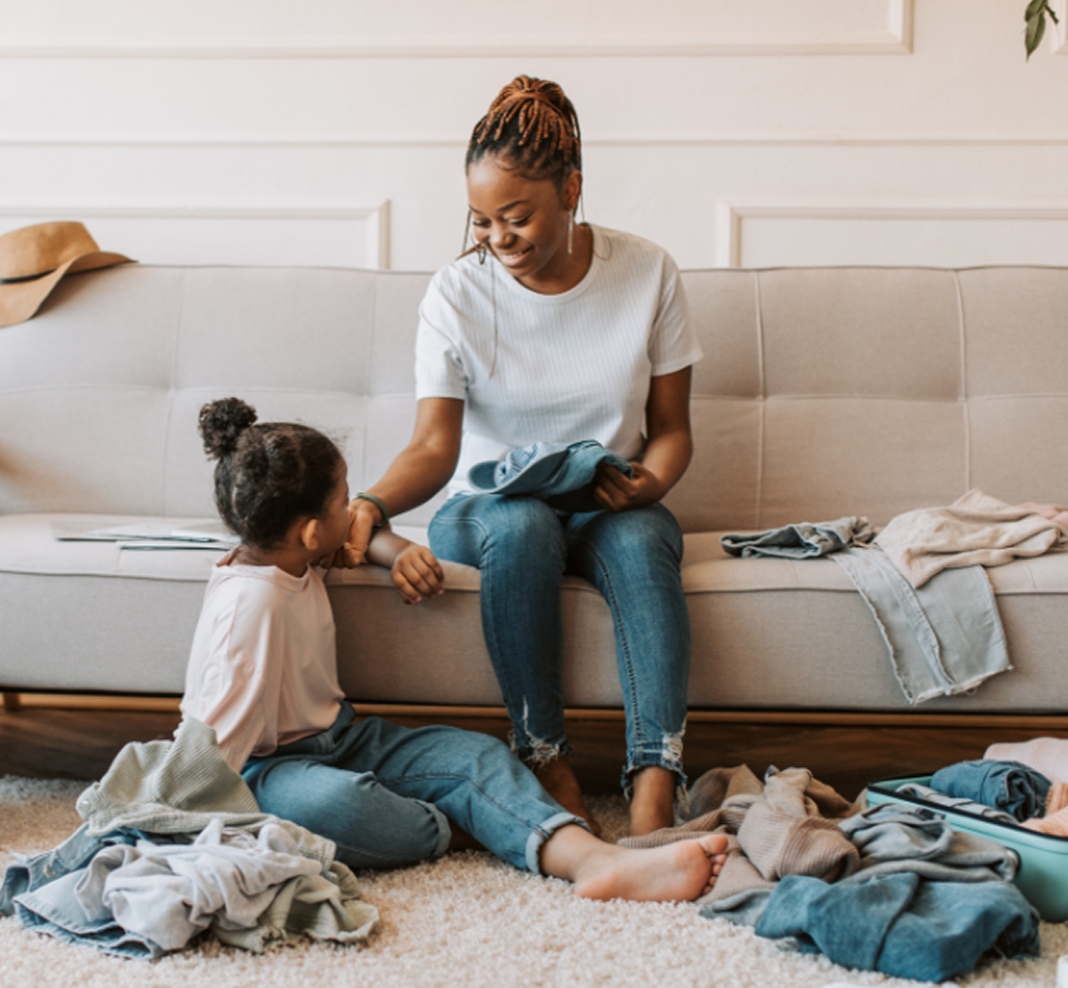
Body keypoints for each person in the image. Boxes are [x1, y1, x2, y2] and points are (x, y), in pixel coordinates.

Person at [334, 75, 702, 837]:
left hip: (606, 502)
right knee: (525, 523)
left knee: (642, 541)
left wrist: (649, 484)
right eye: (480, 221)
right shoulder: (454, 294)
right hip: (487, 512)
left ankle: (654, 785)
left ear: (570, 189)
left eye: (516, 217)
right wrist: (370, 503)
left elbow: (670, 429)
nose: (498, 239)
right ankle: (543, 757)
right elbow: (435, 448)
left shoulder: (648, 272)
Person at [181, 397, 726, 902]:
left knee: (479, 756)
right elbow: (212, 751)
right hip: (266, 769)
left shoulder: (287, 553)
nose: (356, 508)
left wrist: (395, 551)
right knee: (338, 806)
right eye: (345, 498)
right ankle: (478, 828)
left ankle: (590, 860)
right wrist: (180, 833)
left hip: (343, 738)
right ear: (308, 531)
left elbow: (354, 536)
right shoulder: (248, 607)